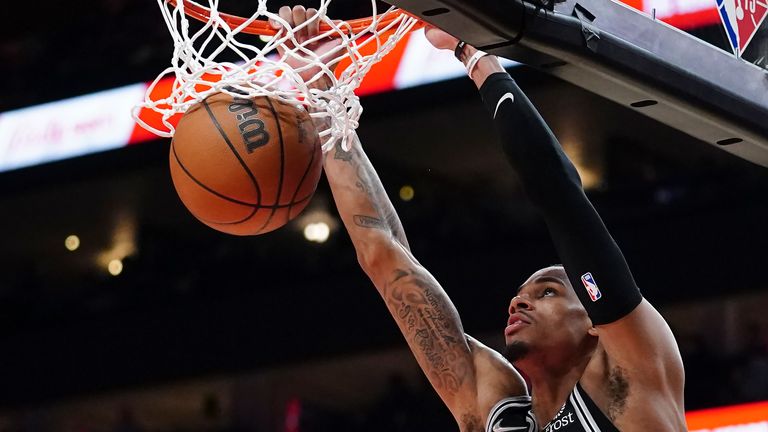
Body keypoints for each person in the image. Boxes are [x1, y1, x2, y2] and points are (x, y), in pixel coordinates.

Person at [274, 7, 686, 432]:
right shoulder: (499, 411)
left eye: (548, 292)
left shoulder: (631, 377)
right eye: (525, 292)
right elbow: (382, 254)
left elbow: (560, 196)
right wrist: (322, 98)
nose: (518, 301)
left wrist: (473, 52)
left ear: (595, 326)